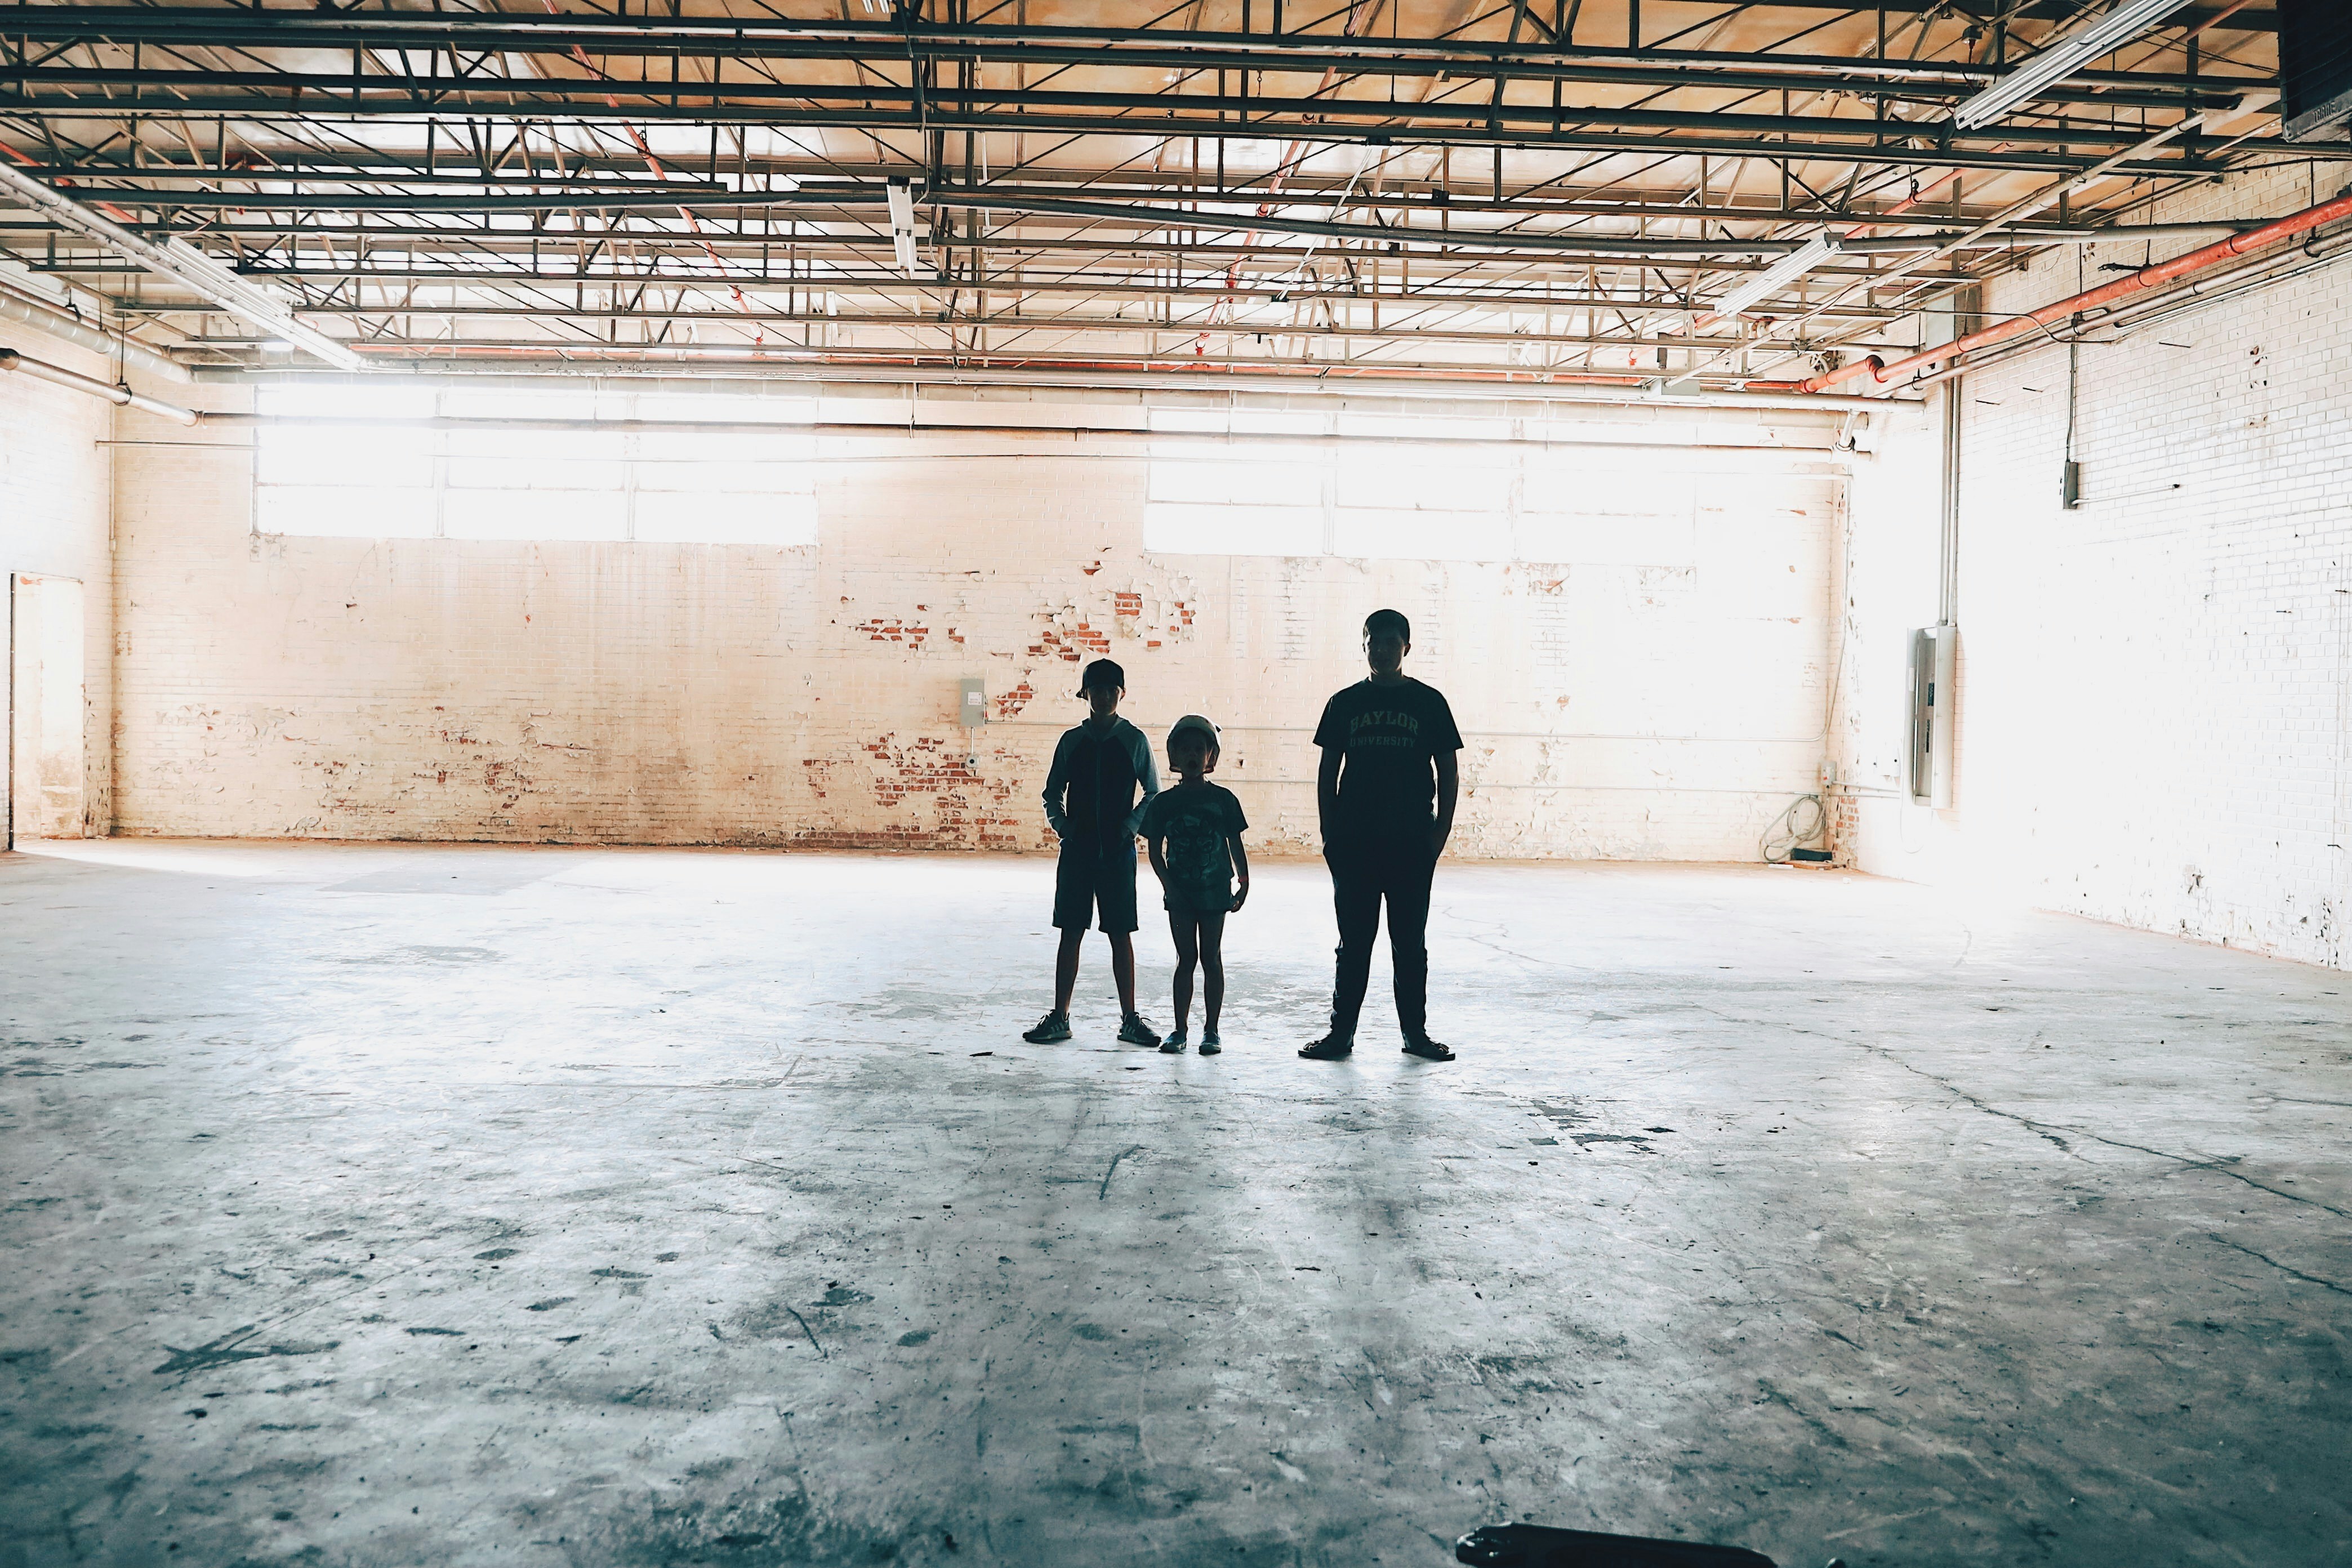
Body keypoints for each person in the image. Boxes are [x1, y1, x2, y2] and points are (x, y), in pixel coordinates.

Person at [1300, 609, 1463, 1062]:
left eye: (1392, 642)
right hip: (1355, 843)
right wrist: (1329, 832)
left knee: (1409, 943)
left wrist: (1439, 834)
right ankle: (1341, 1035)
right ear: (1364, 646)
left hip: (1411, 842)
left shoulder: (1429, 703)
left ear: (1406, 648)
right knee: (1354, 943)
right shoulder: (1345, 703)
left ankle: (1416, 1035)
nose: (1383, 650)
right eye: (1374, 642)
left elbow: (1448, 771)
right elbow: (1328, 770)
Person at [1024, 658, 1163, 1047]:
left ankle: (1130, 1018)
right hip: (1079, 852)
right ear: (1084, 694)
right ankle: (1060, 1017)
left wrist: (1130, 827)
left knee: (1121, 933)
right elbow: (1052, 792)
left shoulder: (1133, 741)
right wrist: (1063, 826)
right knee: (1071, 932)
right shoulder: (1072, 741)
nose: (1103, 696)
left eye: (1110, 689)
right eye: (1096, 689)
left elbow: (1152, 792)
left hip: (1117, 853)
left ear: (1122, 692)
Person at [1142, 715, 1250, 1055]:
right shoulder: (1164, 803)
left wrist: (1244, 880)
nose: (1192, 755)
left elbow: (1235, 844)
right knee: (1185, 959)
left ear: (1211, 757)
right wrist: (1169, 886)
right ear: (1174, 755)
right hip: (1182, 894)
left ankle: (1212, 1030)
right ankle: (1180, 1030)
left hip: (1215, 891)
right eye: (1185, 749)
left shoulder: (1224, 800)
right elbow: (1155, 850)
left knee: (1212, 958)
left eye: (1199, 749)